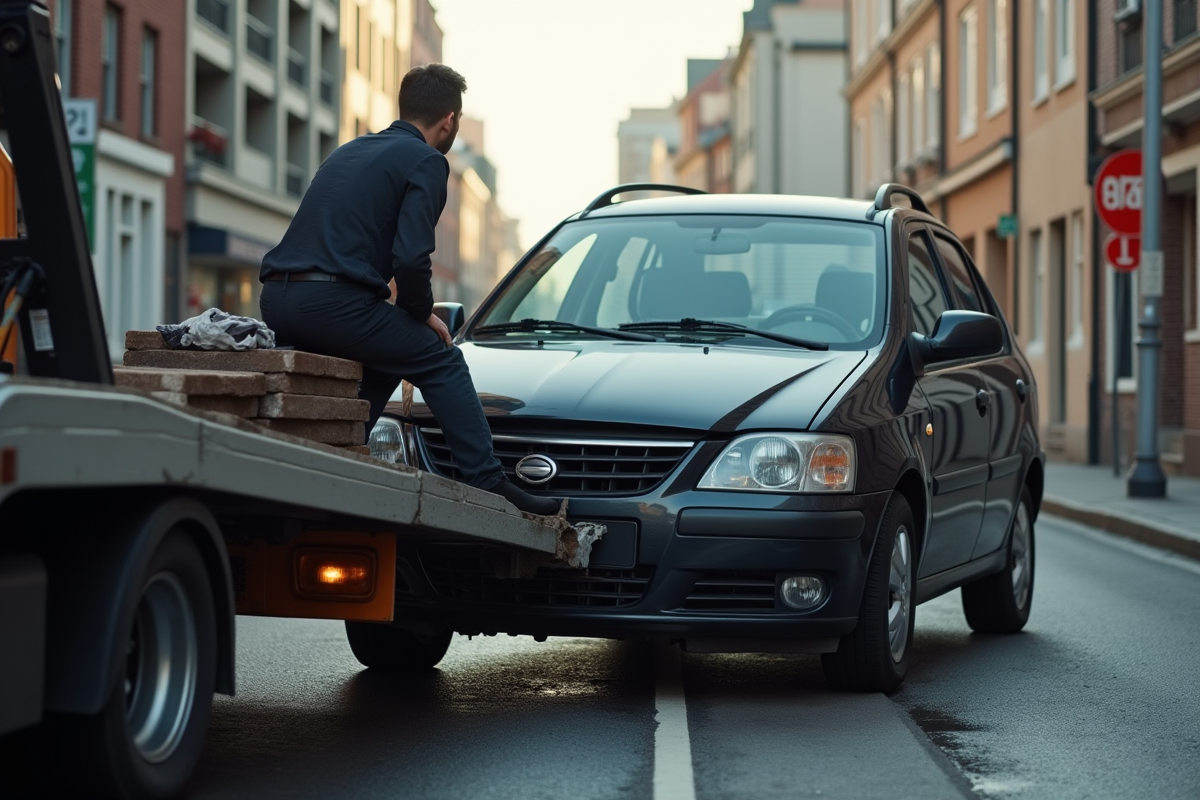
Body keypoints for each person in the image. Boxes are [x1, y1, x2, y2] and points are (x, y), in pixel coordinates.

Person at [258, 64, 559, 516]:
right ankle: (489, 480)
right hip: (331, 303)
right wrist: (420, 313)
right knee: (441, 358)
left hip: (278, 299)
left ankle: (343, 450)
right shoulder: (427, 160)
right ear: (450, 122)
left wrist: (404, 315)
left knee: (388, 357)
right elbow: (412, 258)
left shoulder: (350, 149)